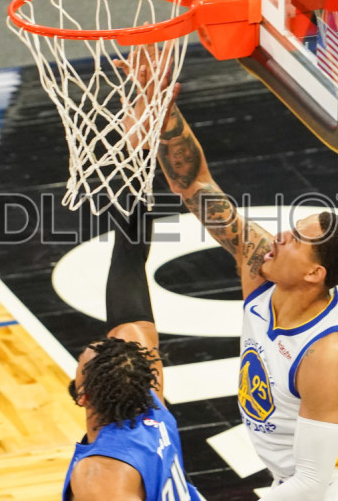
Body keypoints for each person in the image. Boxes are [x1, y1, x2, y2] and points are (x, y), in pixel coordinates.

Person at [122, 58, 338, 499]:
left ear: (314, 273)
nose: (280, 236)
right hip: (293, 484)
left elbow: (312, 483)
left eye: (297, 240)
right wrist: (162, 110)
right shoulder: (261, 263)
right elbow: (196, 185)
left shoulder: (328, 353)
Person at [63, 202, 204, 501]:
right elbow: (129, 270)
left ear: (83, 395)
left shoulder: (101, 474)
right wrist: (135, 196)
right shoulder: (150, 405)